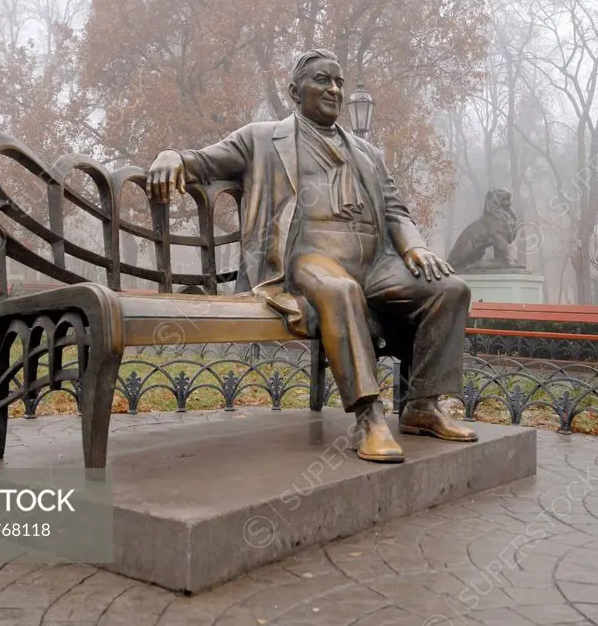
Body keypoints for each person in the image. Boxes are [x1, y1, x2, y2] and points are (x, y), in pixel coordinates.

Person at [147, 48, 476, 463]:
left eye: (339, 81)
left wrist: (415, 246)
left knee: (449, 289)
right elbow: (205, 162)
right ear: (294, 91)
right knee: (340, 289)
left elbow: (394, 209)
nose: (334, 89)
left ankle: (422, 406)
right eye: (323, 79)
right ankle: (368, 417)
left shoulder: (367, 153)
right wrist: (171, 155)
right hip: (307, 259)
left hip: (375, 263)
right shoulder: (262, 138)